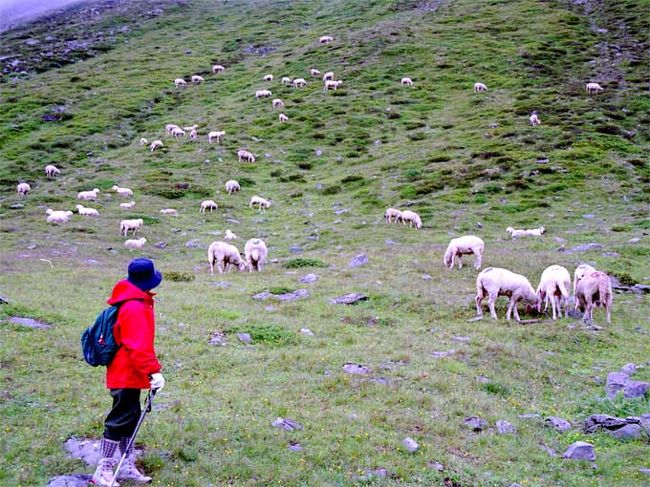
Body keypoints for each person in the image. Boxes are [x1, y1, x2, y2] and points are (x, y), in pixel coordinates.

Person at [92, 258, 165, 487]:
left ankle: (125, 465)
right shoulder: (134, 306)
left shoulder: (136, 300)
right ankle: (102, 470)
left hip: (131, 372)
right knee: (120, 418)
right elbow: (137, 345)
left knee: (131, 417)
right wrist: (153, 372)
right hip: (125, 372)